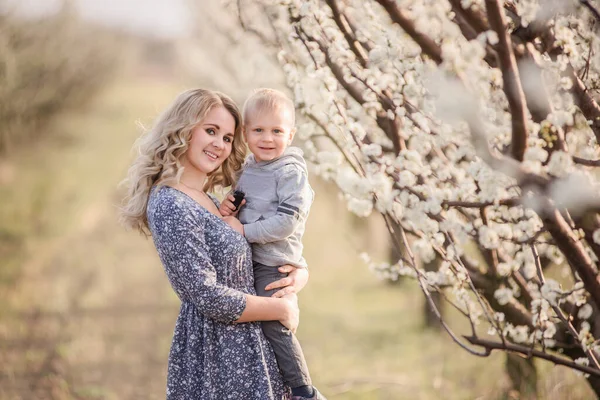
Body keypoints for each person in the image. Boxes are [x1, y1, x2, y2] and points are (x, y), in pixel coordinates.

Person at [120, 88, 310, 399]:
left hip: (255, 350)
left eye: (227, 137)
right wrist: (280, 308)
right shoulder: (170, 203)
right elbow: (207, 295)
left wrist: (298, 272)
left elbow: (259, 251)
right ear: (184, 129)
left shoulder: (209, 200)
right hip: (219, 357)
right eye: (211, 131)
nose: (219, 145)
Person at [219, 88, 324, 400]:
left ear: (290, 135)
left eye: (277, 131)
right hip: (251, 257)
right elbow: (242, 198)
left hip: (273, 262)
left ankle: (304, 391)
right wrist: (230, 205)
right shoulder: (248, 166)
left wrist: (244, 231)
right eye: (259, 130)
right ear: (246, 134)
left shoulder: (290, 171)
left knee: (274, 322)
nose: (268, 138)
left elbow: (288, 221)